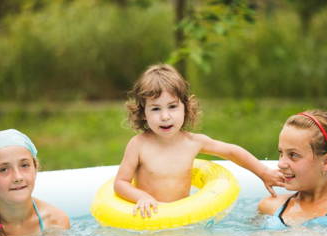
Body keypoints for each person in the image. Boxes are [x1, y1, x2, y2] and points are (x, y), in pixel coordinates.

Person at [114, 63, 285, 218]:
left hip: (183, 219)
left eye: (172, 106)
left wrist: (263, 172)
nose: (165, 116)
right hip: (150, 221)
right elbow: (121, 183)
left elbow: (231, 151)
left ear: (185, 108)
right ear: (144, 113)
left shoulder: (192, 142)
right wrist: (142, 197)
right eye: (156, 109)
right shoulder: (139, 145)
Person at [0, 129, 70, 236]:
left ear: (35, 168)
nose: (18, 177)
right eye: (3, 169)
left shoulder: (55, 221)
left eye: (24, 165)